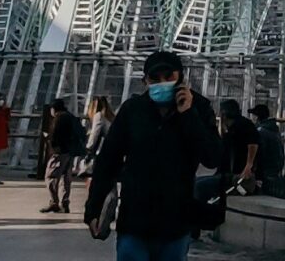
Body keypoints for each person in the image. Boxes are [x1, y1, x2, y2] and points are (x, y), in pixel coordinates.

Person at [82, 49, 227, 261]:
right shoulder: (133, 110)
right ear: (145, 81)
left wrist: (188, 114)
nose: (162, 83)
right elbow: (107, 161)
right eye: (155, 78)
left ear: (181, 78)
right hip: (135, 219)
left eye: (169, 77)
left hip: (175, 222)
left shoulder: (199, 109)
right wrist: (93, 209)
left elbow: (212, 157)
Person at [42, 97, 89, 213]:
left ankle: (54, 202)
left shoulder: (59, 118)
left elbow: (54, 135)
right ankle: (65, 202)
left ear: (53, 109)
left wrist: (49, 140)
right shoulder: (71, 117)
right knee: (66, 178)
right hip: (70, 152)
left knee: (51, 176)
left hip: (60, 152)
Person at [214, 97, 259, 195]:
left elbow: (253, 144)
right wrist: (221, 122)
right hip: (230, 172)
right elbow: (222, 137)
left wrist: (249, 165)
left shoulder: (244, 125)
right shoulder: (231, 127)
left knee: (202, 187)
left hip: (238, 172)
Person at [249, 102, 285, 182]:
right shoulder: (273, 129)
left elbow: (260, 154)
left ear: (258, 118)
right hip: (275, 168)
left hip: (266, 170)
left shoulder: (261, 132)